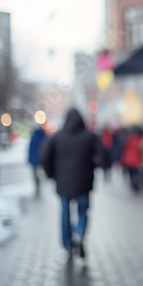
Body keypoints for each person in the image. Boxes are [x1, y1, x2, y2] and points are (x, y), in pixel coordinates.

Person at [41, 108, 100, 258]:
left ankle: (68, 245)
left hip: (63, 183)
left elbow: (44, 157)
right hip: (84, 182)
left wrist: (52, 175)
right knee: (83, 212)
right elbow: (102, 156)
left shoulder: (57, 137)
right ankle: (79, 235)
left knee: (65, 213)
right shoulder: (90, 137)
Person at [28, 125, 47, 195]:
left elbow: (30, 150)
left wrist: (29, 159)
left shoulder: (34, 137)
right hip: (41, 159)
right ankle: (39, 184)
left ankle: (38, 185)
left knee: (36, 175)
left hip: (35, 160)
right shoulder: (44, 137)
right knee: (41, 174)